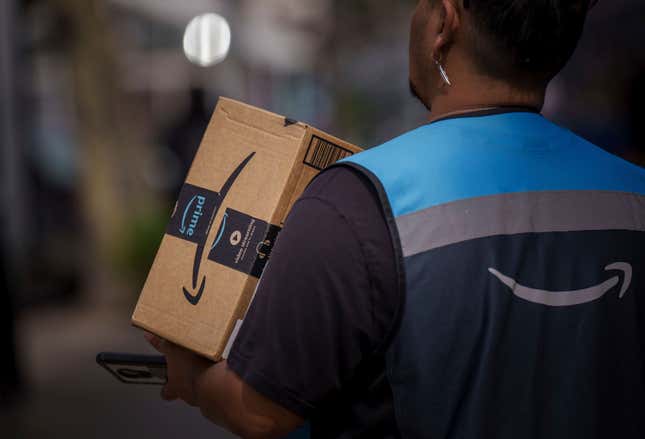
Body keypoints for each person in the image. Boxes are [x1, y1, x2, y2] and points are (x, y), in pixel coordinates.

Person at [146, 0, 645, 437]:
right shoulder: (633, 193)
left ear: (443, 24)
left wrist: (188, 373)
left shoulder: (360, 199)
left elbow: (259, 413)